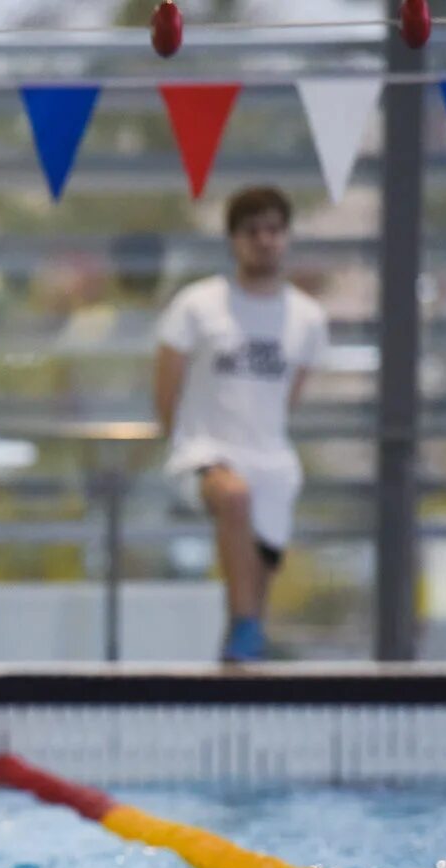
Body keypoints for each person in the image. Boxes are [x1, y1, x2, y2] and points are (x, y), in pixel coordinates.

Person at [153, 186, 328, 663]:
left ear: (287, 237)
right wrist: (186, 444)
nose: (265, 241)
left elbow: (290, 395)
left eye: (274, 230)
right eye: (253, 231)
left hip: (270, 459)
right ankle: (247, 631)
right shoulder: (197, 305)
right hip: (203, 453)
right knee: (234, 497)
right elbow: (165, 388)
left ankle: (240, 658)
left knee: (254, 584)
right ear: (234, 240)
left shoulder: (308, 319)